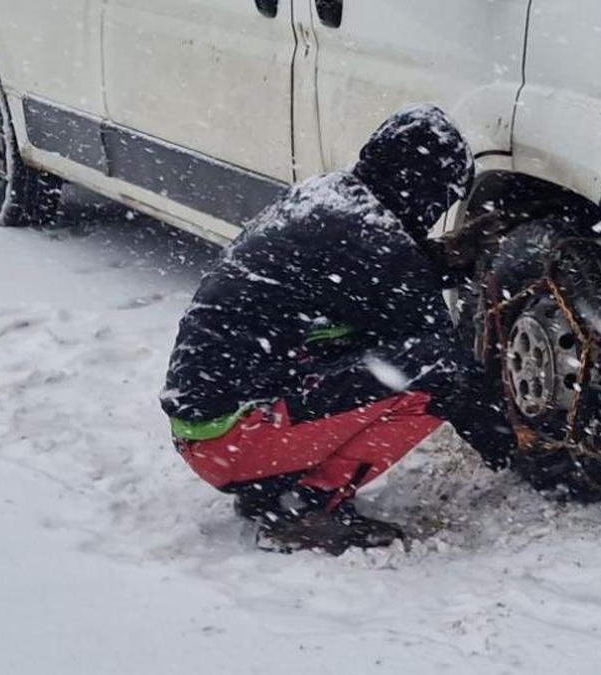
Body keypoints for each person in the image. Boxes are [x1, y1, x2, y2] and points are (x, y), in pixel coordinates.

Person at [160, 106, 513, 555]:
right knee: (439, 374)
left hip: (207, 428)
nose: (437, 212)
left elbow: (368, 276)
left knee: (386, 356)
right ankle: (299, 508)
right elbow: (444, 358)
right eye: (442, 199)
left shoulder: (329, 199)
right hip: (236, 435)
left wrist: (448, 257)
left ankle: (272, 486)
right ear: (421, 187)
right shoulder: (377, 247)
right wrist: (517, 445)